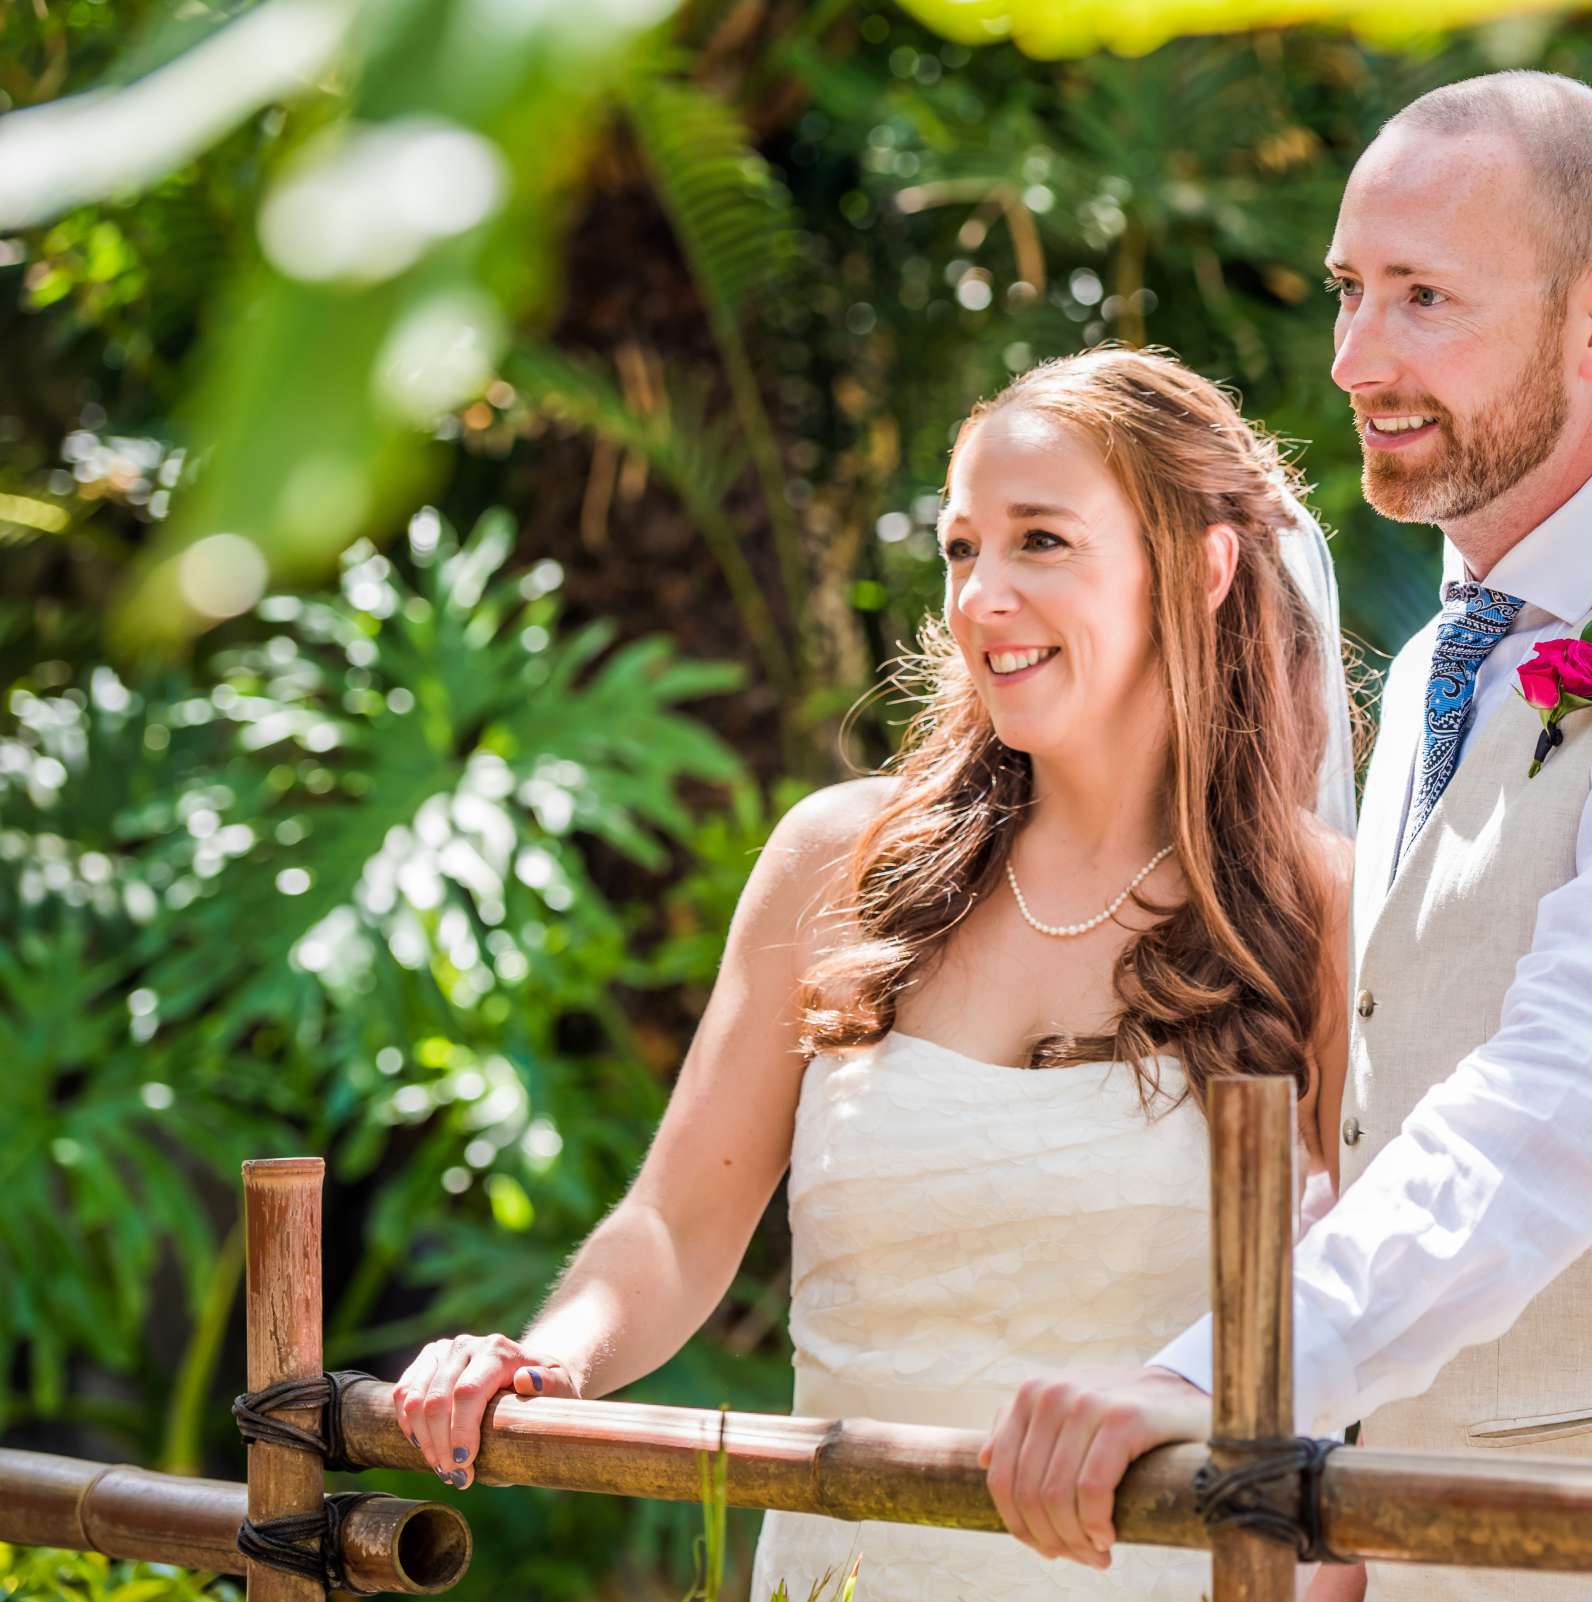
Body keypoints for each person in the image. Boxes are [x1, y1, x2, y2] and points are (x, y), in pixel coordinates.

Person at [985, 71, 1592, 1601]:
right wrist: (1350, 1498)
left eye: (1425, 297)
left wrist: (1240, 1373)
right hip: (1440, 1544)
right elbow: (1404, 1095)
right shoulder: (1448, 657)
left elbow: (1571, 1085)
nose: (1357, 358)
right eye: (1350, 292)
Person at [387, 347, 1360, 1601]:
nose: (981, 598)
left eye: (1041, 542)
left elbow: (1376, 1322)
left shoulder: (1319, 913)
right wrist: (546, 1360)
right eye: (961, 549)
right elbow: (678, 1225)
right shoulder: (835, 861)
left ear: (1206, 567)